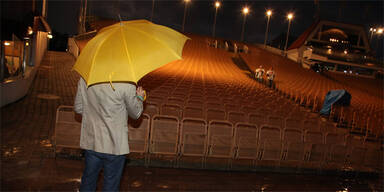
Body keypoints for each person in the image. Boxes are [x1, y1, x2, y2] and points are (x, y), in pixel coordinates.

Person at [74, 77, 145, 192]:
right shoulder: (126, 84)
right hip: (115, 145)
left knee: (88, 181)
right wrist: (140, 97)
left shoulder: (85, 79)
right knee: (111, 186)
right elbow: (136, 114)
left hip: (92, 141)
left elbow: (78, 108)